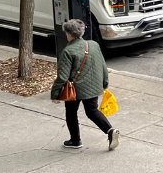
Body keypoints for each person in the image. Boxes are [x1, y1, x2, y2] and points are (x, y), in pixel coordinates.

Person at [51, 18, 120, 151]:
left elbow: (62, 76)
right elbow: (102, 65)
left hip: (74, 89)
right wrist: (105, 82)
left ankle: (75, 141)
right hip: (93, 85)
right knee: (92, 111)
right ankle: (110, 131)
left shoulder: (68, 51)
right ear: (81, 32)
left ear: (69, 34)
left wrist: (55, 93)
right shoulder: (93, 45)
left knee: (71, 113)